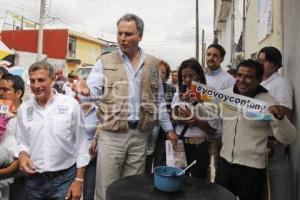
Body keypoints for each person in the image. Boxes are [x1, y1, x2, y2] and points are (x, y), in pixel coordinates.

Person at [76, 13, 178, 200]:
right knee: (106, 189)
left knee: (132, 188)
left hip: (140, 135)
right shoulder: (105, 61)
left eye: (128, 34)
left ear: (140, 36)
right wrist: (86, 91)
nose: (122, 38)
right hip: (112, 135)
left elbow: (159, 101)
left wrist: (169, 129)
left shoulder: (153, 64)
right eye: (120, 33)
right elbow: (94, 89)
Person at [214, 59, 296, 200]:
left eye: (248, 76)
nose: (242, 80)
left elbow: (288, 138)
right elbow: (209, 112)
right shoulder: (226, 96)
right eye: (239, 75)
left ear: (259, 80)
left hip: (252, 168)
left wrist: (280, 119)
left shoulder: (268, 103)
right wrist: (193, 104)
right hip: (224, 163)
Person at [15, 61, 90, 200]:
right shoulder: (24, 109)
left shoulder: (71, 105)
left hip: (65, 180)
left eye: (41, 80)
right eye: (32, 81)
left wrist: (79, 181)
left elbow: (82, 144)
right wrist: (23, 154)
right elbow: (21, 140)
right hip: (33, 180)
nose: (36, 85)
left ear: (53, 79)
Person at [258, 46, 294, 200]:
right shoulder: (260, 82)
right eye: (258, 60)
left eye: (263, 61)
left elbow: (286, 113)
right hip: (258, 144)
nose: (260, 64)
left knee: (274, 191)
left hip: (273, 146)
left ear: (274, 64)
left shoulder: (280, 84)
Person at [171, 58, 216, 179]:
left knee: (198, 183)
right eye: (184, 76)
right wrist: (181, 118)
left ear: (199, 75)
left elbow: (212, 129)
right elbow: (174, 116)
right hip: (179, 145)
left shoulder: (209, 96)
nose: (187, 80)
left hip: (199, 146)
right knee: (178, 180)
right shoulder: (178, 94)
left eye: (191, 76)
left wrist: (195, 119)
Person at [205, 43, 235, 181]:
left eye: (215, 55)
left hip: (220, 134)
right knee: (202, 169)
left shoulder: (228, 80)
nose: (211, 58)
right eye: (209, 54)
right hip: (201, 130)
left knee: (220, 169)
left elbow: (231, 106)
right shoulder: (200, 77)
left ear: (222, 59)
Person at [145, 60, 176, 173]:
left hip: (163, 132)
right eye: (157, 72)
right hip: (148, 131)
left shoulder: (171, 89)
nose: (159, 75)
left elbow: (171, 109)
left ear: (166, 76)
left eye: (163, 73)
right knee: (146, 162)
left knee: (160, 161)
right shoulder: (146, 88)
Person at [0, 74, 25, 200]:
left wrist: (5, 172)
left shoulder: (27, 114)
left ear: (18, 93)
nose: (1, 93)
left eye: (5, 89)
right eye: (0, 89)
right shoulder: (1, 111)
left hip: (17, 176)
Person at [80, 101, 99, 200]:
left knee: (89, 193)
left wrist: (95, 139)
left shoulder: (98, 111)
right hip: (74, 158)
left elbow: (103, 126)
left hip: (91, 157)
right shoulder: (73, 108)